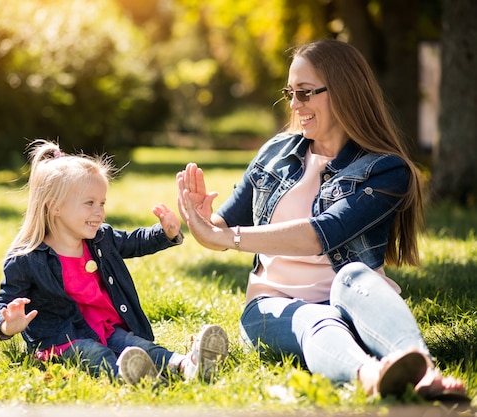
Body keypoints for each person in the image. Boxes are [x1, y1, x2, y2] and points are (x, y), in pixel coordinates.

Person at [176, 39, 469, 402]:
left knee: (354, 275)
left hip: (351, 297)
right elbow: (222, 228)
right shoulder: (274, 154)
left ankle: (425, 372)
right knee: (312, 320)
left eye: (306, 93)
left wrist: (228, 237)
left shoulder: (385, 169)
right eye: (291, 94)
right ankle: (372, 376)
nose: (295, 105)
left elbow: (323, 234)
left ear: (345, 91)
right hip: (274, 305)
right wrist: (204, 222)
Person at [0, 140, 228, 385]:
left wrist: (164, 233)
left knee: (138, 345)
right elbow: (2, 302)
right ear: (55, 207)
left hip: (105, 329)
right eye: (89, 203)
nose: (99, 212)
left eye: (102, 203)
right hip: (63, 341)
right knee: (95, 354)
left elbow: (134, 242)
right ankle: (131, 376)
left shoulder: (100, 239)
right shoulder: (27, 259)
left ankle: (186, 365)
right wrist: (8, 325)